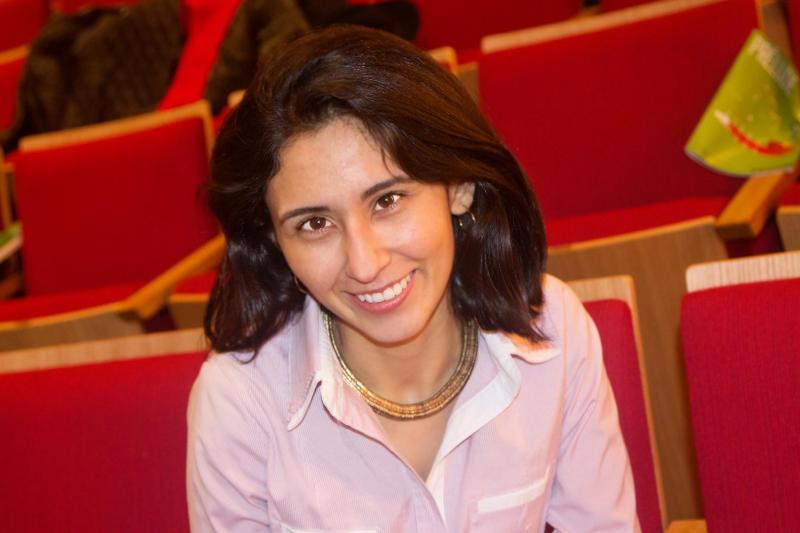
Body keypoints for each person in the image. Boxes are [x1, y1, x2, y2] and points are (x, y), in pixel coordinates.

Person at [187, 25, 639, 532]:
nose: (364, 263)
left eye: (388, 200)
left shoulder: (553, 328)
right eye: (314, 224)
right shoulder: (240, 399)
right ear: (275, 241)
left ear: (459, 187)